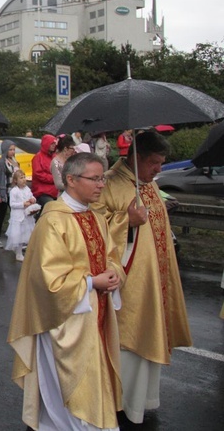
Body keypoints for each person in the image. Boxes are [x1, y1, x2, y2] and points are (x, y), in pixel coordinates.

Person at [7, 152, 125, 430]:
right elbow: (47, 279)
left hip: (95, 311)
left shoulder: (95, 216)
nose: (101, 185)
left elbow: (111, 255)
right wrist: (91, 283)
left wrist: (114, 274)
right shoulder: (54, 221)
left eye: (102, 179)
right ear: (71, 180)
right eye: (94, 179)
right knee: (70, 380)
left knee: (96, 373)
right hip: (65, 318)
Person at [94, 130, 192, 424]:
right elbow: (93, 228)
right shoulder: (110, 183)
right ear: (136, 158)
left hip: (154, 280)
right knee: (131, 342)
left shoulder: (146, 184)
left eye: (162, 163)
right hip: (129, 284)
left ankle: (143, 401)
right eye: (154, 163)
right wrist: (127, 221)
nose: (159, 169)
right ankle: (120, 404)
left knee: (150, 336)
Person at [0, 140, 19, 248]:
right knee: (0, 215)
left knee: (15, 215)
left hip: (14, 192)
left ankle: (16, 238)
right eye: (10, 149)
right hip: (4, 192)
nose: (12, 152)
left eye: (13, 149)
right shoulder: (0, 163)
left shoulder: (15, 161)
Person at [4, 170, 37, 262]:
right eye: (21, 178)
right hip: (18, 216)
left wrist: (33, 199)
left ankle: (20, 250)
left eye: (24, 177)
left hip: (27, 215)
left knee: (25, 234)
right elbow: (12, 204)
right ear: (15, 180)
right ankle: (18, 254)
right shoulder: (14, 191)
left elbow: (32, 196)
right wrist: (23, 204)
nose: (23, 180)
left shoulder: (27, 189)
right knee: (18, 235)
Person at [31, 133, 58, 216]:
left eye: (54, 144)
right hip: (42, 191)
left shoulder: (55, 157)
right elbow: (38, 174)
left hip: (54, 191)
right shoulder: (38, 157)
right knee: (50, 208)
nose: (54, 146)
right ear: (46, 144)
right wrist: (54, 178)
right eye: (52, 144)